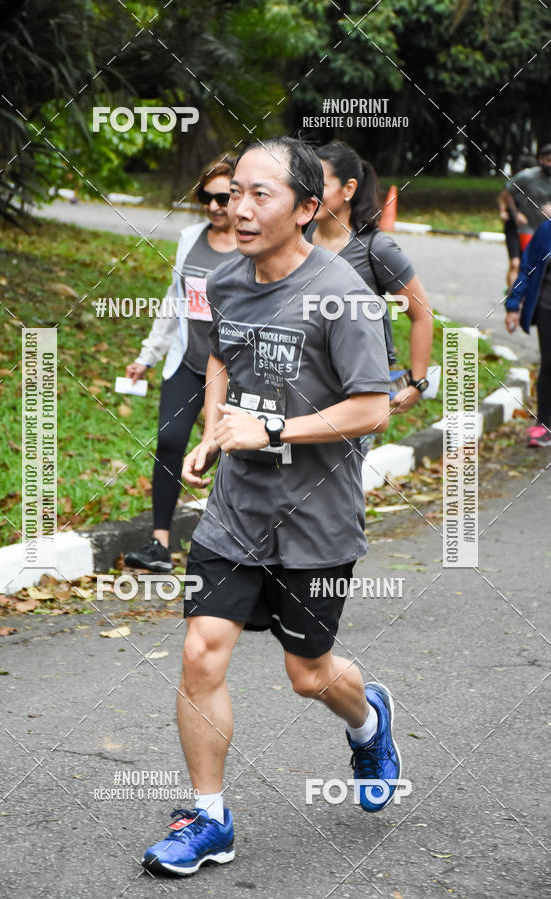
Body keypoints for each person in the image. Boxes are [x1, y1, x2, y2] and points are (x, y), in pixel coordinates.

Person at [142, 137, 401, 877]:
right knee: (201, 651)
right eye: (235, 194)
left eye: (262, 195)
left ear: (308, 208)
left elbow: (373, 408)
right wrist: (216, 432)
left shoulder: (345, 295)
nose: (240, 208)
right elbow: (220, 352)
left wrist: (276, 426)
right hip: (236, 513)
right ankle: (208, 818)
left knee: (308, 673)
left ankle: (369, 717)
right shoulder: (225, 281)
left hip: (316, 522)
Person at [123, 156, 238, 571]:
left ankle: (226, 543)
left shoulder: (252, 243)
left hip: (237, 369)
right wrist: (146, 357)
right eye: (206, 197)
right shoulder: (191, 238)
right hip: (189, 362)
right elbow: (174, 303)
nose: (214, 206)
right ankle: (160, 543)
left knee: (232, 452)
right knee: (170, 443)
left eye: (222, 197)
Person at [306, 141, 432, 414]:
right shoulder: (297, 239)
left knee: (345, 457)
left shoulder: (376, 247)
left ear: (348, 188)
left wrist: (416, 383)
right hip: (305, 380)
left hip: (359, 387)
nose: (309, 192)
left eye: (320, 184)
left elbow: (421, 314)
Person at [505, 206, 551, 448]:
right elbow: (527, 267)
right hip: (547, 306)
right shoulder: (546, 230)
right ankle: (545, 424)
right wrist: (513, 305)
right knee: (549, 363)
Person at [498, 153, 539, 288]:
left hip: (531, 228)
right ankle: (512, 294)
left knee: (528, 264)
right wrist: (504, 212)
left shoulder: (538, 187)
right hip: (513, 227)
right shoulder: (515, 183)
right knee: (515, 263)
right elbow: (502, 197)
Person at [503, 144, 551, 253]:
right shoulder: (527, 177)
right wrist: (515, 214)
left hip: (546, 229)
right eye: (548, 160)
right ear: (540, 160)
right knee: (529, 261)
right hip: (527, 228)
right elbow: (506, 194)